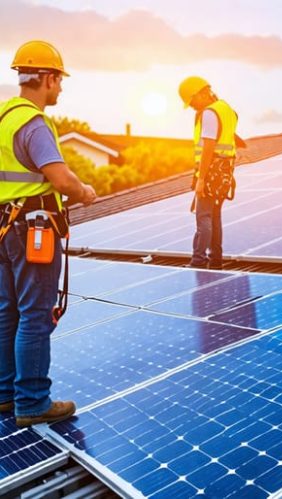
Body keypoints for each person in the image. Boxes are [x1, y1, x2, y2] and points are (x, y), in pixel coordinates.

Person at [0, 40, 97, 427]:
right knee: (35, 315)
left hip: (5, 228)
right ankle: (33, 401)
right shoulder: (33, 123)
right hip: (33, 230)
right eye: (58, 79)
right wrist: (83, 191)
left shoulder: (3, 118)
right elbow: (58, 175)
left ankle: (6, 394)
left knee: (7, 312)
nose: (60, 88)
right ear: (46, 78)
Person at [178, 76, 238, 270]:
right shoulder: (226, 109)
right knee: (215, 216)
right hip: (225, 171)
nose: (193, 106)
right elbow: (228, 136)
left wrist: (201, 179)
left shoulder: (210, 113)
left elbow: (208, 147)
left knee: (203, 216)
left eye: (192, 101)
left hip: (211, 171)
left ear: (200, 94)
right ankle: (216, 259)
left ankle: (198, 261)